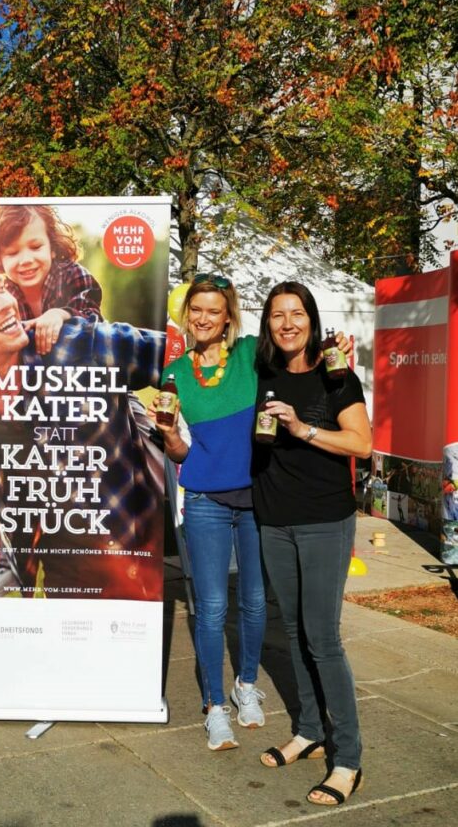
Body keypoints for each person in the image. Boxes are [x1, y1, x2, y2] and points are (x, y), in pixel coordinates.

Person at [0, 244, 164, 601]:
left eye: (0, 287)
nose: (5, 302)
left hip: (130, 544)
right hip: (63, 561)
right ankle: (5, 561)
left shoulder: (76, 346)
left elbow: (173, 356)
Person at [252, 282, 371, 807]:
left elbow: (362, 444)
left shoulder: (335, 371)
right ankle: (309, 730)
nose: (286, 324)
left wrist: (301, 428)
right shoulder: (262, 372)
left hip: (325, 520)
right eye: (277, 315)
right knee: (295, 630)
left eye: (295, 314)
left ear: (310, 318)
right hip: (275, 520)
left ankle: (347, 759)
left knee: (324, 638)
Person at [151, 273, 267, 752]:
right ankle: (215, 707)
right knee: (213, 606)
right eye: (195, 309)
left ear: (228, 318)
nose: (203, 318)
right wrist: (169, 435)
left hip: (258, 499)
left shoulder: (251, 354)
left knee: (256, 602)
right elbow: (178, 452)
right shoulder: (175, 374)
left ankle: (246, 685)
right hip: (203, 502)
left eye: (213, 311)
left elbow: (298, 353)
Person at [0, 204, 102, 354]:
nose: (26, 260)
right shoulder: (3, 296)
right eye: (13, 253)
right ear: (0, 259)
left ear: (52, 248)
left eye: (35, 247)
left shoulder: (72, 274)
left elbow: (94, 319)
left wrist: (59, 314)